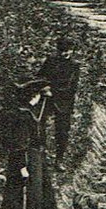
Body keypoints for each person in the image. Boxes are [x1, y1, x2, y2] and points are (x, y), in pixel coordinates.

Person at [0, 81, 59, 209]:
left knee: (37, 203)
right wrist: (22, 167)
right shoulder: (23, 116)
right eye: (39, 95)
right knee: (22, 204)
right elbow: (19, 145)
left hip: (37, 163)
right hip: (26, 164)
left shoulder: (32, 113)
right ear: (34, 96)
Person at [39, 36, 81, 166]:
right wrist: (44, 87)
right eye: (62, 51)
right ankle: (41, 155)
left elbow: (72, 86)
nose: (64, 53)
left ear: (72, 51)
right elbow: (40, 76)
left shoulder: (74, 66)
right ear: (58, 50)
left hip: (64, 100)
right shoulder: (50, 61)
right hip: (48, 98)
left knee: (62, 130)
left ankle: (59, 159)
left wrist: (56, 92)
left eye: (67, 50)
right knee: (40, 125)